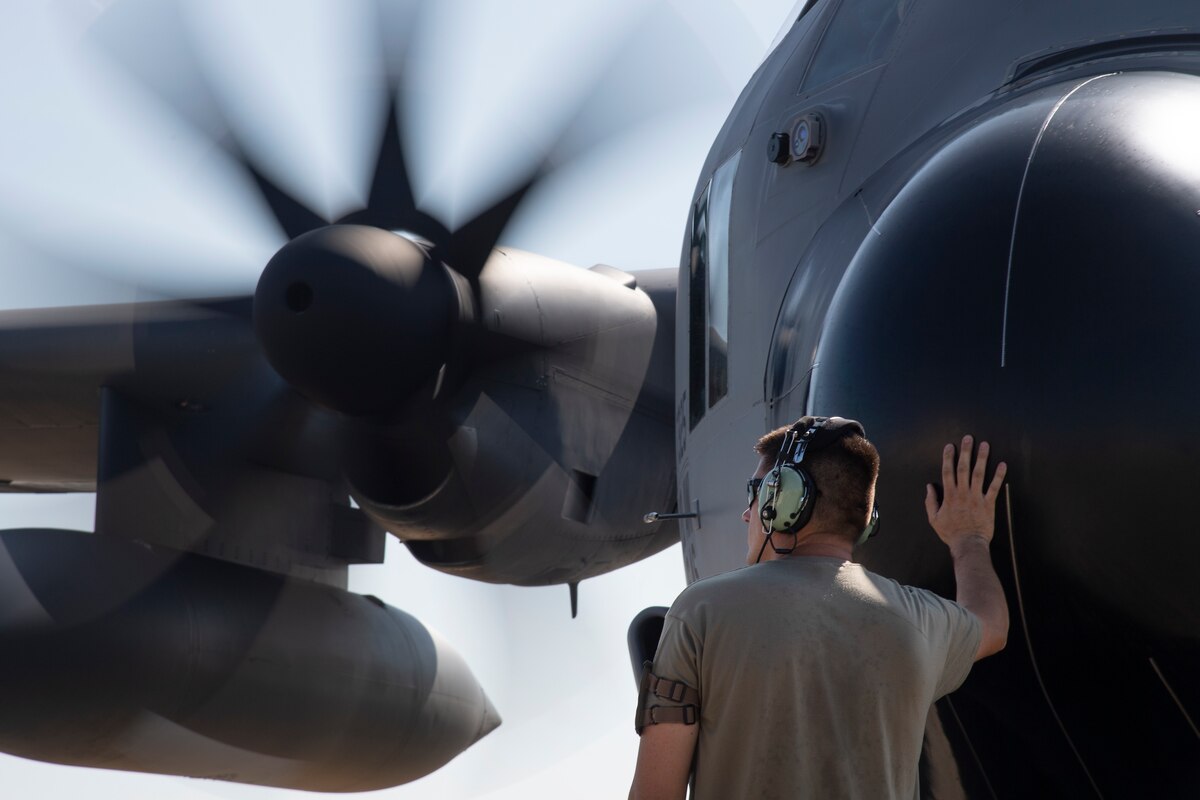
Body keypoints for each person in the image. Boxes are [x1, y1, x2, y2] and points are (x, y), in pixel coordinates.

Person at [628, 416, 1009, 800]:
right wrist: (970, 538)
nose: (747, 513)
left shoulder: (700, 612)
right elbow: (992, 625)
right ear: (865, 521)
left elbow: (656, 793)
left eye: (756, 492)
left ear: (784, 498)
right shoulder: (921, 620)